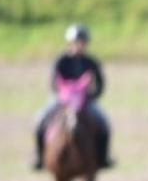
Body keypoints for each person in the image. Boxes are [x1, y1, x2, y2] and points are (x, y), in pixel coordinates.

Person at [33, 23, 111, 170]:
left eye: (81, 42)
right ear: (69, 43)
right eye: (75, 42)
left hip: (84, 101)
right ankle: (39, 157)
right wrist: (63, 96)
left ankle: (103, 158)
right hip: (61, 100)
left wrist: (91, 96)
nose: (78, 46)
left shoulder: (90, 62)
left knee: (104, 123)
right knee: (39, 120)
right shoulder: (61, 61)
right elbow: (53, 83)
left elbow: (100, 84)